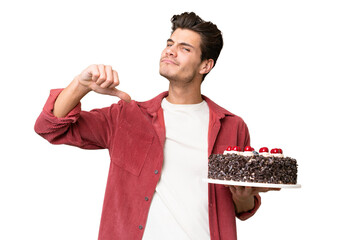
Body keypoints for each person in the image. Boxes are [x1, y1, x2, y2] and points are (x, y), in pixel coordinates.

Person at [35, 12, 278, 240]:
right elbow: (50, 127)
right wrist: (81, 84)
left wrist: (243, 197)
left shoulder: (232, 126)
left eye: (184, 48)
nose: (171, 51)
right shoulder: (126, 117)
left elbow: (242, 208)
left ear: (205, 65)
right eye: (170, 44)